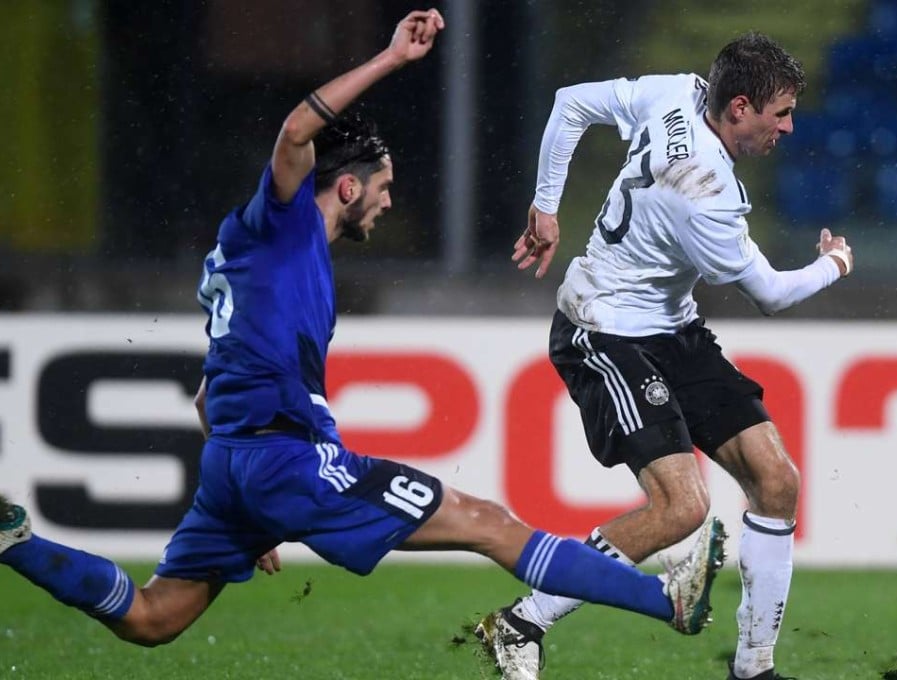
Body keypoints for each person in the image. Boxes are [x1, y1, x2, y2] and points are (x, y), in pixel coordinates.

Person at [0, 9, 722, 662]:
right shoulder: (280, 223)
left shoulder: (258, 257)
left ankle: (14, 541)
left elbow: (205, 397)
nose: (388, 201)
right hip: (286, 461)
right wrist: (391, 58)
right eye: (383, 186)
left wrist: (251, 510)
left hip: (235, 463)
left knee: (153, 616)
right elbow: (295, 133)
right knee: (490, 524)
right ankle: (666, 601)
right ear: (346, 186)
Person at [475, 32, 853, 680]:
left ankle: (754, 668)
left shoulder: (676, 91)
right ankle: (521, 622)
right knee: (682, 508)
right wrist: (834, 264)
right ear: (740, 107)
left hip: (672, 328)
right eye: (781, 113)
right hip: (604, 331)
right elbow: (770, 294)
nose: (789, 127)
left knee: (776, 481)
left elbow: (570, 104)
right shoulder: (704, 193)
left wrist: (546, 205)